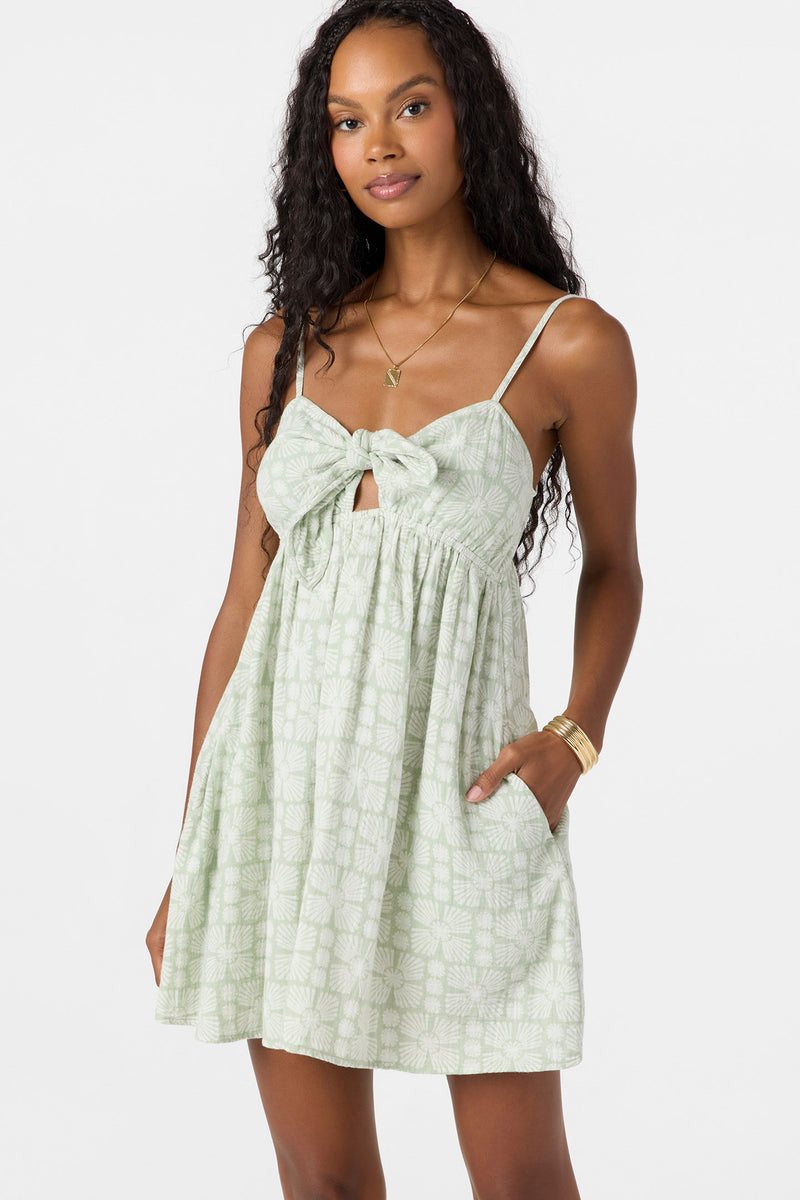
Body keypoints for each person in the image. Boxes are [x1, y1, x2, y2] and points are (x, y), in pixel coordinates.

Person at [146, 1, 642, 1196]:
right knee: (323, 1183)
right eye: (346, 120)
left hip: (463, 796)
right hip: (280, 803)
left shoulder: (566, 343)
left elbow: (614, 567)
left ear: (467, 113)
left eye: (409, 106)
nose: (378, 144)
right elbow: (242, 599)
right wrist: (194, 845)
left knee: (521, 1180)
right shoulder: (284, 350)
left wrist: (575, 738)